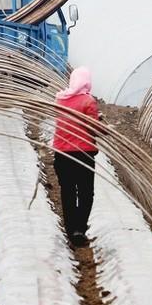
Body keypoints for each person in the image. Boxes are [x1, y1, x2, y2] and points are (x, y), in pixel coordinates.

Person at [52, 66, 100, 247]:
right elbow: (93, 128)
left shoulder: (60, 99)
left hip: (62, 153)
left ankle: (70, 229)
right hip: (83, 154)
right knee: (86, 193)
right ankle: (80, 229)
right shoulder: (88, 101)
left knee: (68, 192)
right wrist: (104, 126)